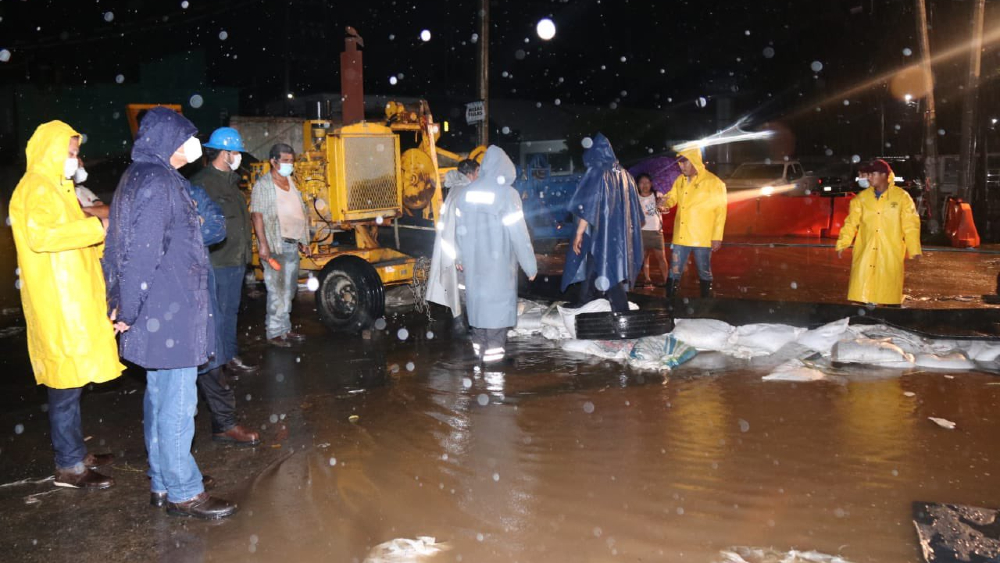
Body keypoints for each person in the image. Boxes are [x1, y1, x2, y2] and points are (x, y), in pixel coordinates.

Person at [103, 107, 236, 519]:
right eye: (186, 138)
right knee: (178, 405)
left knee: (161, 400)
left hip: (157, 311)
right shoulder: (159, 181)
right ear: (168, 141)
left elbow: (115, 250)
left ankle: (162, 482)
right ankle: (185, 492)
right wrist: (126, 305)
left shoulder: (139, 176)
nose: (193, 146)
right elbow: (141, 252)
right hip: (170, 310)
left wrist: (120, 301)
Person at [9, 121, 125, 489]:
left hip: (73, 299)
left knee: (72, 383)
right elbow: (42, 237)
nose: (75, 160)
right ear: (50, 151)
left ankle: (75, 450)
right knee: (63, 386)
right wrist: (98, 228)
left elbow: (79, 235)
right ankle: (69, 466)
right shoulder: (36, 189)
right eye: (71, 153)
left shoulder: (60, 189)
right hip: (57, 304)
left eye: (76, 153)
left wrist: (102, 240)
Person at [189, 128, 260, 447]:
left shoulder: (230, 183)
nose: (239, 158)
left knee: (229, 313)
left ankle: (228, 357)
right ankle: (220, 359)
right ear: (224, 153)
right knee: (215, 321)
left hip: (234, 259)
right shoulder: (203, 183)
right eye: (236, 153)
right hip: (216, 263)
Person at [453, 146, 537, 364]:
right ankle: (492, 381)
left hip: (474, 268)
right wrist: (530, 266)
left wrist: (461, 258)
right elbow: (519, 234)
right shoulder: (508, 195)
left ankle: (479, 365)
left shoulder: (467, 193)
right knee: (496, 321)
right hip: (498, 270)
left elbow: (459, 232)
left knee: (479, 318)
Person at [560, 133, 643, 312]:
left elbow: (587, 206)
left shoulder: (597, 172)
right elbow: (634, 209)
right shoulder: (625, 174)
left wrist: (579, 233)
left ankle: (621, 309)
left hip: (602, 231)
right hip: (619, 234)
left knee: (607, 266)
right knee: (594, 262)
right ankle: (585, 299)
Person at [836, 159, 922, 305]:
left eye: (872, 174)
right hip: (866, 251)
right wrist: (843, 242)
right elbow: (851, 223)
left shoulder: (901, 198)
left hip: (890, 252)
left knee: (887, 290)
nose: (868, 178)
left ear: (883, 175)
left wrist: (914, 249)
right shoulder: (861, 199)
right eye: (868, 174)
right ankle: (862, 314)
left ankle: (888, 313)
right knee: (863, 290)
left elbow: (911, 225)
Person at [250, 143, 311, 347]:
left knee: (289, 290)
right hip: (275, 246)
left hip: (292, 245)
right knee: (277, 290)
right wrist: (263, 245)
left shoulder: (291, 182)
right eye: (285, 161)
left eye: (291, 161)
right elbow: (257, 215)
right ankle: (274, 331)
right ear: (273, 161)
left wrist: (304, 240)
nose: (289, 165)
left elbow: (299, 212)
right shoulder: (264, 185)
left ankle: (285, 328)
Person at [662, 147, 727, 298]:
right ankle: (670, 303)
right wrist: (664, 202)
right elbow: (672, 198)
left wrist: (717, 236)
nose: (681, 166)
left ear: (694, 161)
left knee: (704, 271)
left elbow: (720, 211)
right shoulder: (680, 180)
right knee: (674, 270)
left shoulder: (714, 182)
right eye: (680, 163)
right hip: (681, 236)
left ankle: (705, 303)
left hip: (702, 237)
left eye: (684, 163)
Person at [428, 158, 481, 338]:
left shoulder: (454, 191)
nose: (479, 176)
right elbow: (463, 229)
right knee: (467, 290)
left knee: (458, 289)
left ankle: (461, 324)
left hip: (453, 252)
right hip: (460, 254)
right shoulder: (465, 193)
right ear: (470, 174)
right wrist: (460, 256)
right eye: (478, 172)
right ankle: (467, 327)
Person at [635, 173, 669, 287]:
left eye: (647, 182)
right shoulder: (635, 197)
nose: (644, 185)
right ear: (638, 185)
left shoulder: (657, 195)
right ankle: (647, 279)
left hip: (656, 232)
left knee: (661, 258)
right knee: (644, 257)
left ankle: (667, 281)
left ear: (651, 184)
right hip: (642, 231)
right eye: (641, 183)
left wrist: (661, 206)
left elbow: (666, 210)